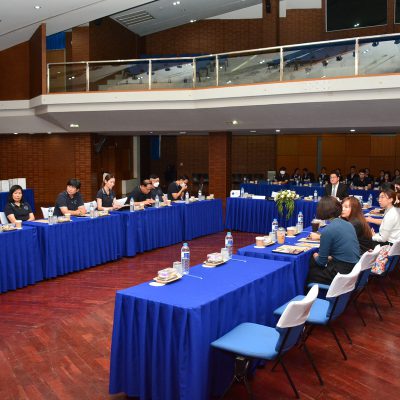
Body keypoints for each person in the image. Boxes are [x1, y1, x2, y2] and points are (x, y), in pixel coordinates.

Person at [307, 196, 360, 285]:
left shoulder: (328, 230)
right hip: (354, 269)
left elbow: (321, 262)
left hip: (341, 273)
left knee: (310, 272)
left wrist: (315, 255)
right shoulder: (348, 224)